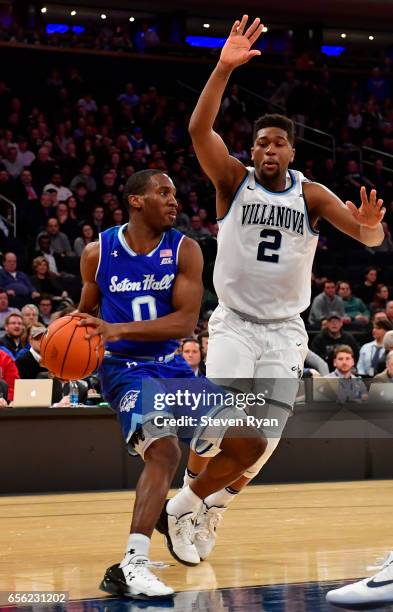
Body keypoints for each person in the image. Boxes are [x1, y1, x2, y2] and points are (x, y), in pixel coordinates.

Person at [185, 14, 385, 562]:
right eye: (261, 143)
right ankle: (192, 477)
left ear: (292, 152)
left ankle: (208, 509)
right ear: (251, 152)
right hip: (234, 321)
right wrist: (222, 70)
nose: (269, 150)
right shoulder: (231, 181)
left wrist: (369, 224)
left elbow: (370, 238)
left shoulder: (313, 195)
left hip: (285, 332)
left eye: (279, 143)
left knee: (262, 443)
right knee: (221, 414)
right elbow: (200, 131)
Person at [76, 169, 266, 599]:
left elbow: (183, 323)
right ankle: (131, 563)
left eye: (175, 194)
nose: (173, 200)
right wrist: (51, 338)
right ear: (135, 200)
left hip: (174, 370)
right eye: (163, 193)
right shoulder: (97, 252)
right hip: (126, 373)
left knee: (251, 442)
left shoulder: (186, 250)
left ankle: (180, 507)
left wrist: (115, 329)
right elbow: (83, 315)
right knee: (163, 450)